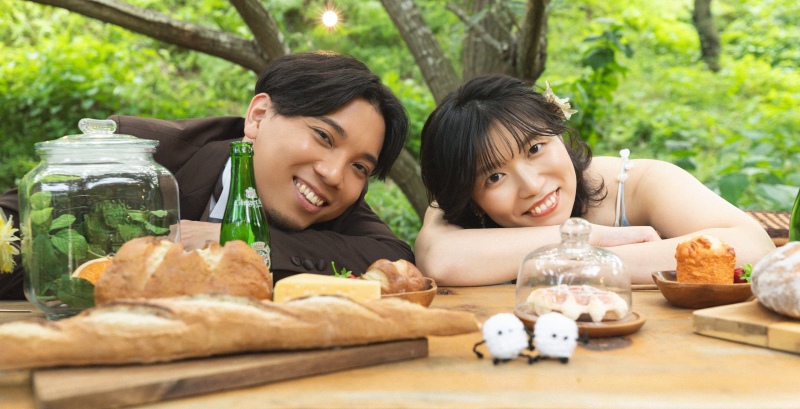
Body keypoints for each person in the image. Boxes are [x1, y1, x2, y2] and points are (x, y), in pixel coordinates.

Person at [0, 51, 413, 299]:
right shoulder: (141, 152)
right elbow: (12, 230)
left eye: (360, 166)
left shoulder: (331, 201)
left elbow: (396, 257)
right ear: (258, 116)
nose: (335, 174)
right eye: (323, 136)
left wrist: (240, 242)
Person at [415, 74, 774, 286]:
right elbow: (439, 260)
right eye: (494, 176)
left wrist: (584, 260)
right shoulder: (458, 208)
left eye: (535, 148)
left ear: (559, 132)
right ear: (468, 198)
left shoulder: (635, 183)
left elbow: (754, 249)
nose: (531, 185)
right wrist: (594, 238)